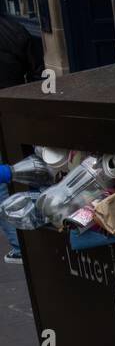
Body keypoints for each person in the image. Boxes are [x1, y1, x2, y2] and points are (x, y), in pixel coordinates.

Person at [0, 15, 44, 264]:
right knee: (30, 172)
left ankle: (20, 245)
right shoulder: (15, 30)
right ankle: (39, 230)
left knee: (2, 182)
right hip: (15, 113)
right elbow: (38, 72)